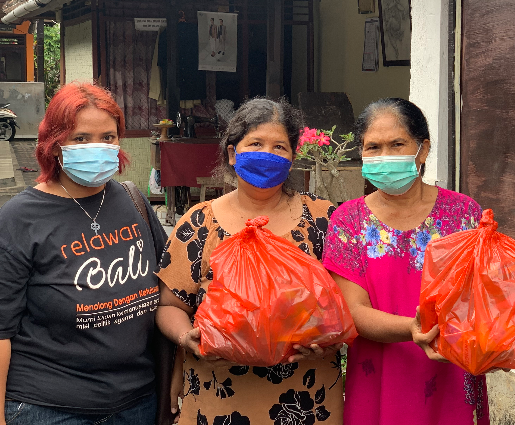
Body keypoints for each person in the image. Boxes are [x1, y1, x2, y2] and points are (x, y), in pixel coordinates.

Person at [155, 97, 345, 425]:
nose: (267, 155)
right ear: (232, 153)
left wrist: (326, 337)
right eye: (255, 143)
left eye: (279, 147)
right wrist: (187, 339)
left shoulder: (324, 220)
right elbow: (170, 305)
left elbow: (344, 305)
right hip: (218, 397)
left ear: (292, 156)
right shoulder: (198, 223)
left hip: (306, 398)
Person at [0, 82, 168, 425]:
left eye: (108, 137)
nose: (98, 147)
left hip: (137, 402)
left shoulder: (133, 202)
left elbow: (172, 285)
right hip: (48, 407)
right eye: (81, 138)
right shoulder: (21, 217)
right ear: (55, 145)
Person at [322, 98, 490, 425]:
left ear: (423, 150)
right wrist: (413, 329)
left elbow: (481, 296)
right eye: (373, 147)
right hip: (379, 377)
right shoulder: (348, 221)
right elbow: (352, 312)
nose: (386, 156)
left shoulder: (464, 214)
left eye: (398, 144)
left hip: (450, 372)